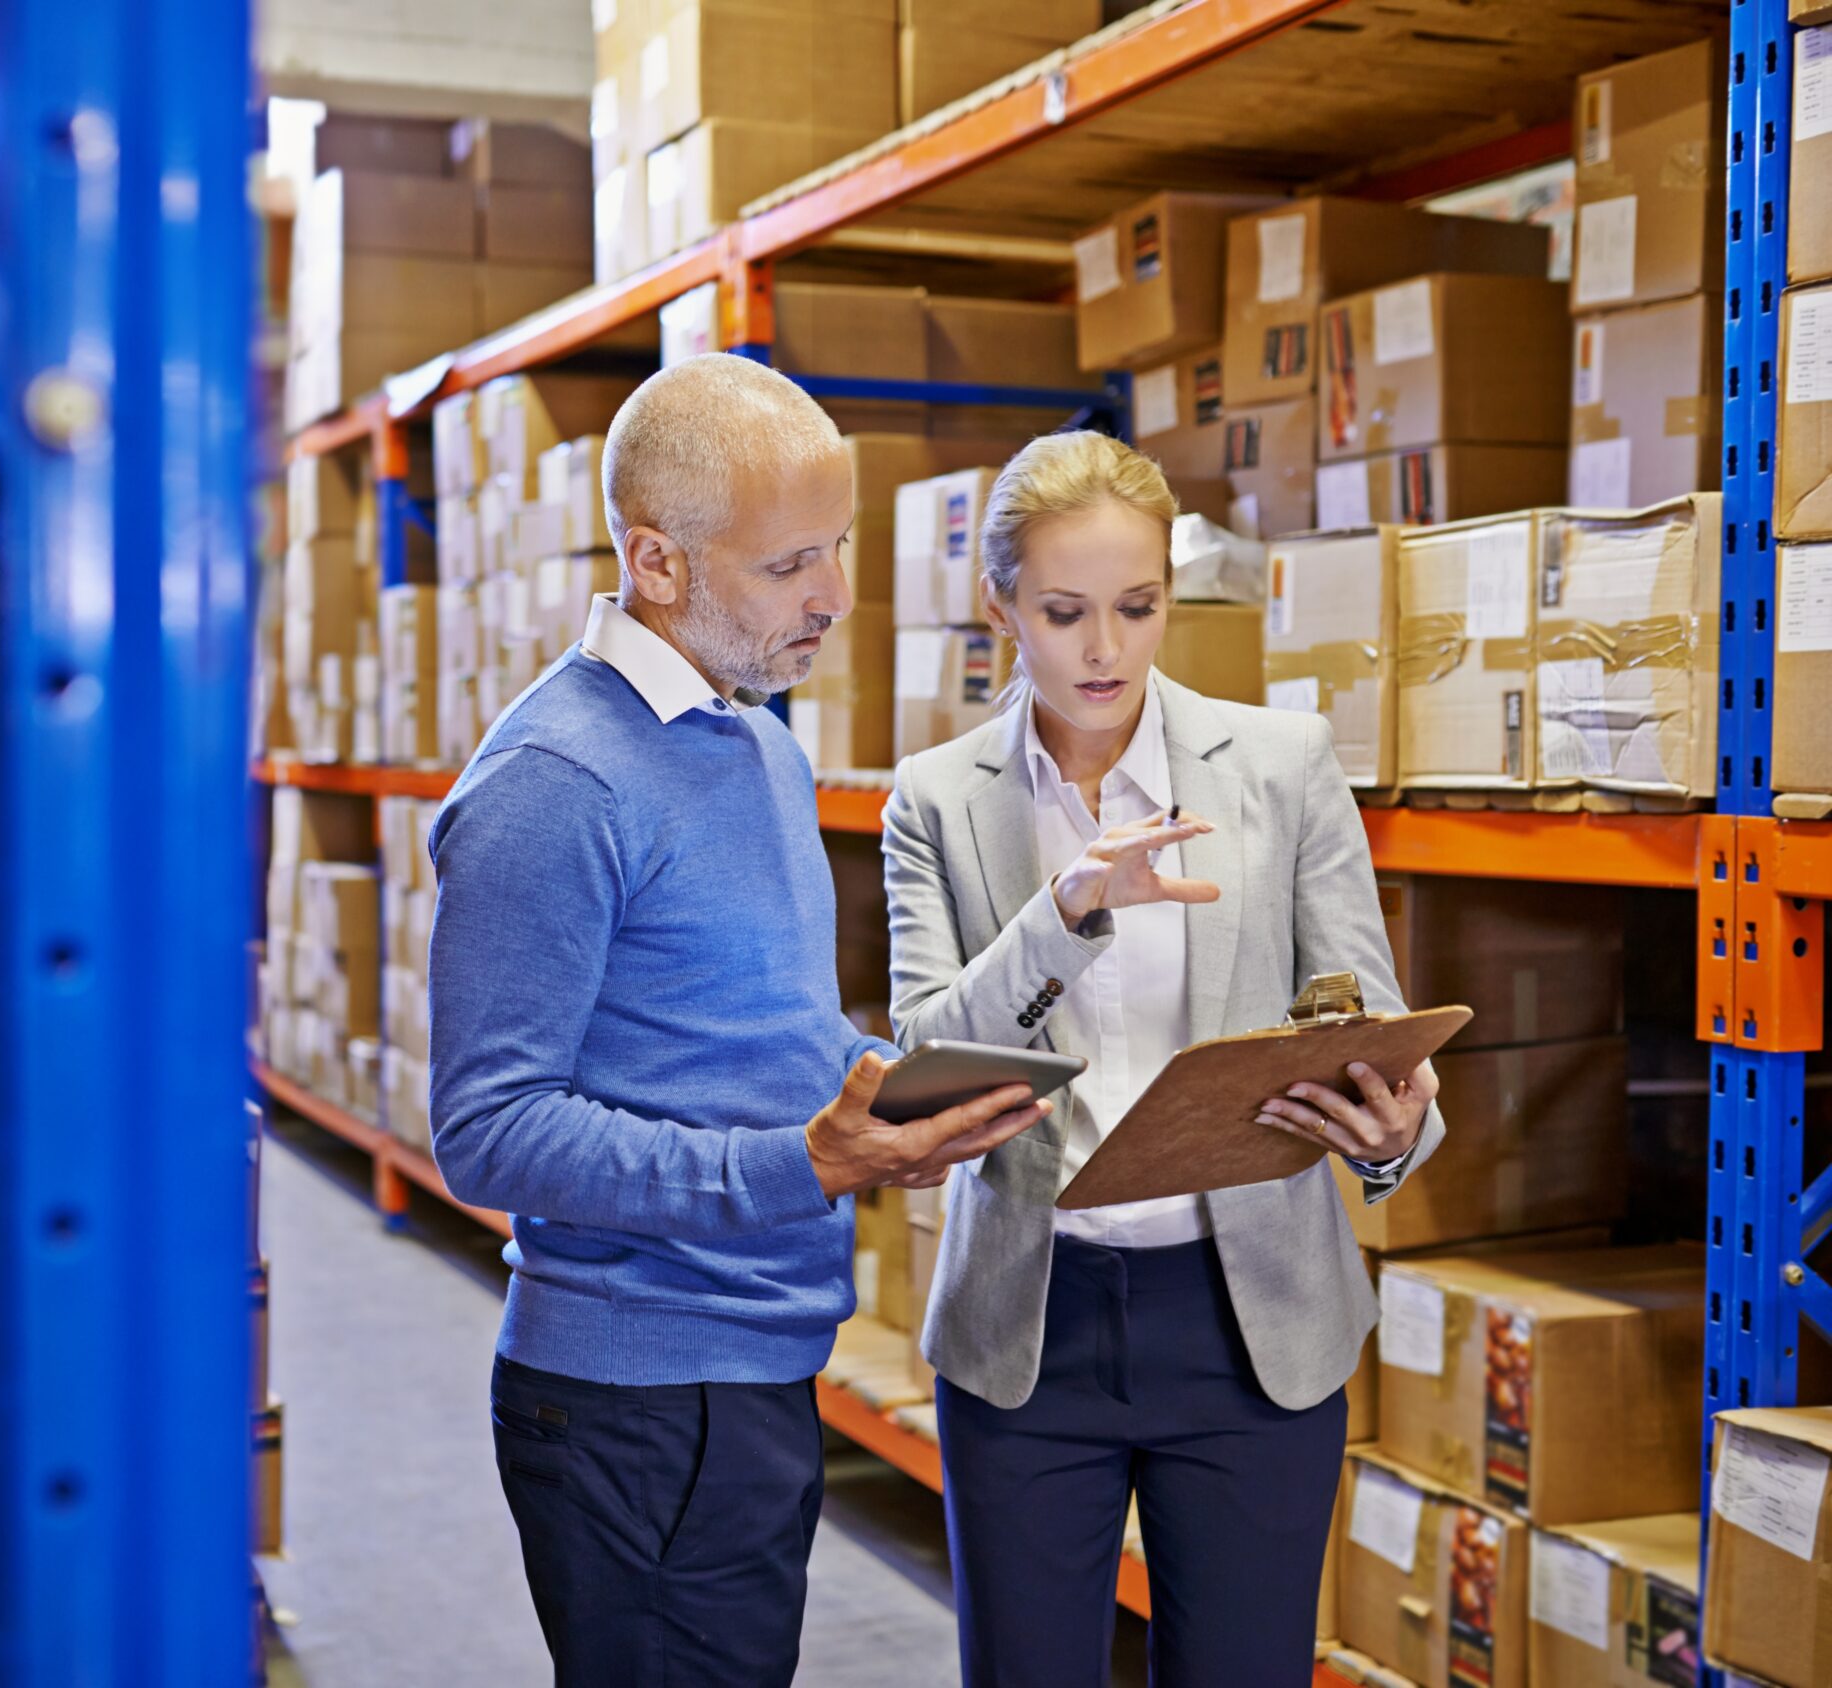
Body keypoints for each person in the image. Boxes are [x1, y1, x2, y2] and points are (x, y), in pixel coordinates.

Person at [425, 354, 1049, 1687]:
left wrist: (888, 1092)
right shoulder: (553, 784)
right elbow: (486, 1133)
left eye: (837, 548)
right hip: (637, 1398)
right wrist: (803, 1166)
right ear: (657, 561)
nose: (835, 596)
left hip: (753, 1365)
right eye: (788, 566)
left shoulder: (751, 736)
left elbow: (754, 1031)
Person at [881, 429, 1447, 1686]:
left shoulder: (1283, 766)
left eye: (1136, 608)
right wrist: (1065, 915)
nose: (1103, 649)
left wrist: (1396, 1125)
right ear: (1001, 609)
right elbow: (924, 1046)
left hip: (1251, 1319)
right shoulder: (935, 796)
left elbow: (1365, 1015)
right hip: (1031, 1321)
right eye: (1064, 611)